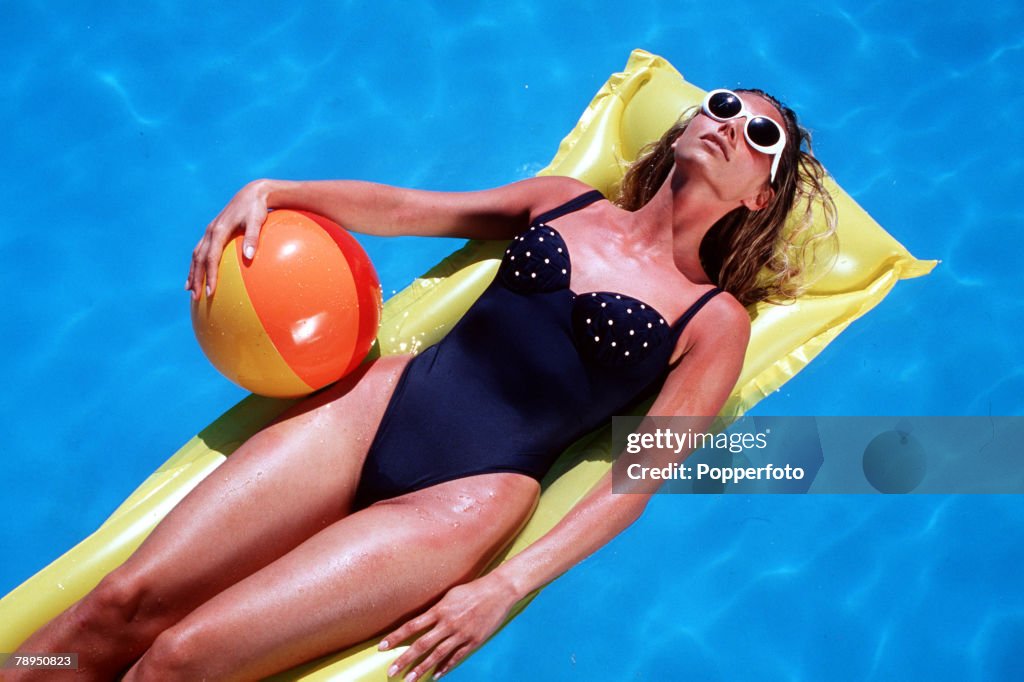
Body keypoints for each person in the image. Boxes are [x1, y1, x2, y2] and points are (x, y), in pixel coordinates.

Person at [12, 88, 835, 681]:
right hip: (375, 410)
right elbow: (409, 210)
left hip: (463, 502)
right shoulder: (564, 201)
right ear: (691, 121)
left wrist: (504, 585)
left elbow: (639, 479)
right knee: (118, 604)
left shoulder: (710, 319)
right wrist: (277, 190)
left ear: (761, 195)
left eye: (763, 134)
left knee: (179, 663)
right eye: (723, 106)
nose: (735, 128)